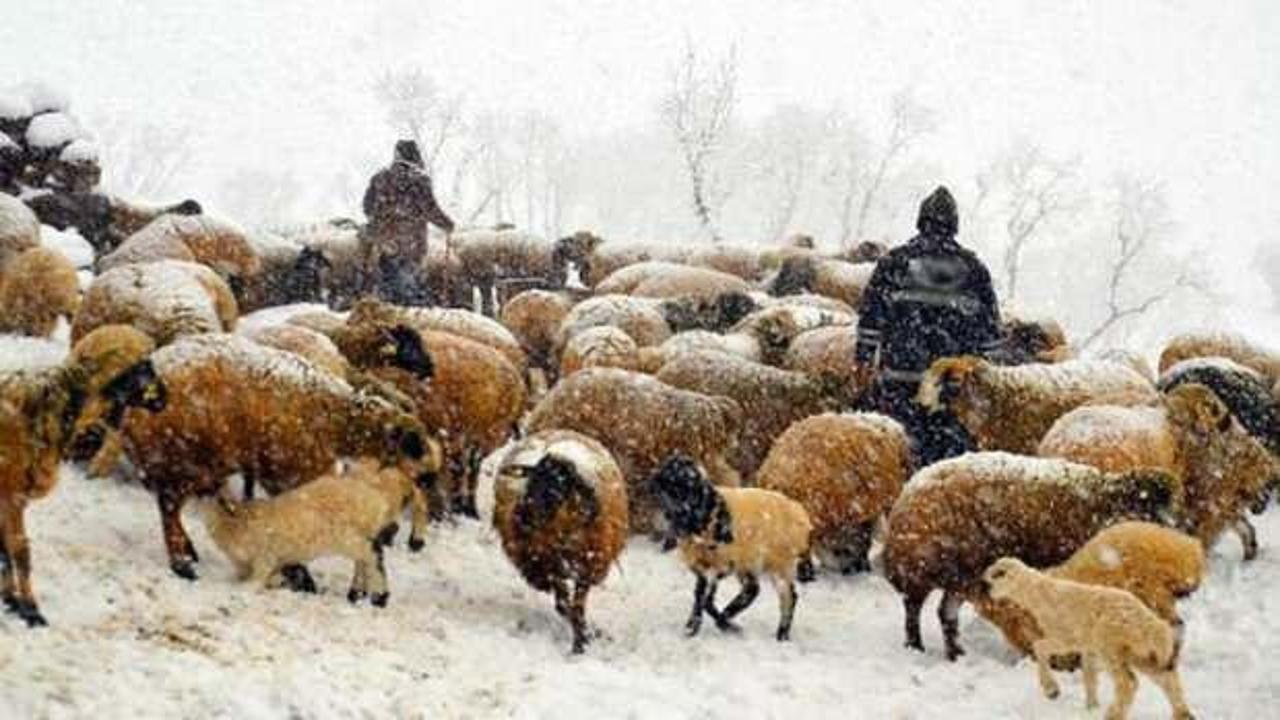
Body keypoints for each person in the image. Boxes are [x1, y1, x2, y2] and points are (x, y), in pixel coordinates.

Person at [854, 186, 1003, 466]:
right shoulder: (974, 270)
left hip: (898, 382)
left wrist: (863, 363)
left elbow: (870, 322)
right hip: (952, 392)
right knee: (945, 469)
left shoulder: (894, 263)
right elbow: (991, 340)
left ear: (921, 221)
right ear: (955, 225)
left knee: (896, 460)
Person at [360, 139, 455, 304]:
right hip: (411, 240)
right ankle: (408, 308)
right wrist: (447, 224)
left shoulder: (379, 177)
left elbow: (367, 207)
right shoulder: (420, 179)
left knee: (388, 279)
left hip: (385, 241)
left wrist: (381, 220)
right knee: (409, 281)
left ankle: (388, 308)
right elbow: (430, 209)